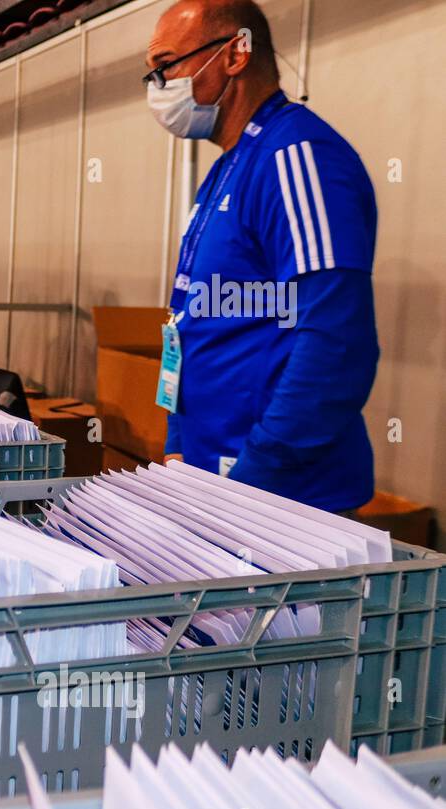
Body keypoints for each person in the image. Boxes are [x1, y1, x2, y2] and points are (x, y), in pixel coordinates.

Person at [147, 0, 378, 513]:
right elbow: (192, 316)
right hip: (219, 484)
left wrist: (257, 477)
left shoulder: (298, 158)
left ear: (235, 54)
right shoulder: (228, 169)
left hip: (281, 502)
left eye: (166, 66)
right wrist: (178, 437)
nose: (158, 86)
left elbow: (336, 342)